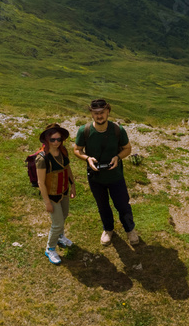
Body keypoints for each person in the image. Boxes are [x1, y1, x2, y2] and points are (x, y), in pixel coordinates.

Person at [74, 98, 139, 245]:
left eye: (102, 112)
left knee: (122, 205)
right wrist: (87, 159)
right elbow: (77, 150)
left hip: (116, 177)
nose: (99, 116)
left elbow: (127, 149)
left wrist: (117, 157)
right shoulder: (84, 131)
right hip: (96, 178)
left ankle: (130, 230)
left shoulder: (118, 130)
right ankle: (108, 229)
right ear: (91, 113)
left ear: (108, 112)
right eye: (96, 113)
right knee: (102, 205)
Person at [35, 124, 76, 265]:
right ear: (46, 140)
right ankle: (50, 248)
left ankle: (59, 237)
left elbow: (67, 168)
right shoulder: (42, 158)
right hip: (51, 196)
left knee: (64, 215)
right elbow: (41, 182)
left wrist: (73, 186)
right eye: (52, 139)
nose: (56, 142)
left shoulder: (63, 152)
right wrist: (47, 202)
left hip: (63, 191)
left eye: (59, 139)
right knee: (57, 223)